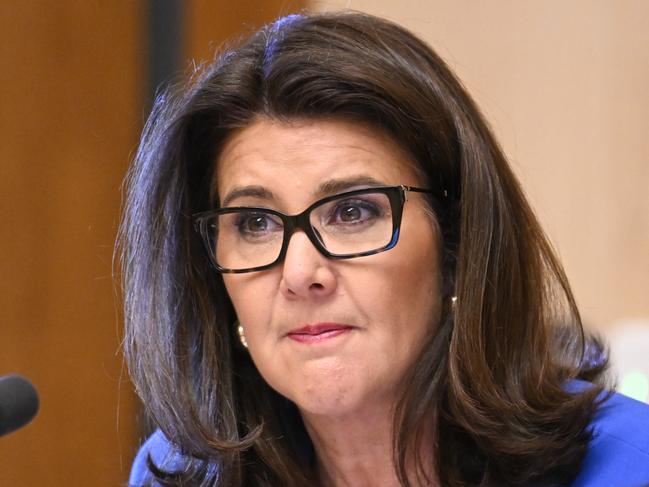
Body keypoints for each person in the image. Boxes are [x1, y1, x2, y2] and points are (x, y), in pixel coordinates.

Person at [120, 11, 649, 487]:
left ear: (457, 245)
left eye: (352, 212)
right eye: (256, 222)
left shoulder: (630, 465)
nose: (300, 272)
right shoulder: (183, 475)